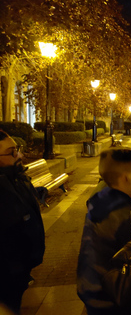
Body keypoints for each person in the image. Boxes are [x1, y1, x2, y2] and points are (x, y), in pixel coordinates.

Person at [77, 147, 131, 315]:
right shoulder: (122, 215)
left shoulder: (102, 199)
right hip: (110, 299)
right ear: (125, 177)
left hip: (92, 287)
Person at [0, 130, 45, 314]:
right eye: (12, 152)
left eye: (17, 149)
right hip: (7, 273)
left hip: (19, 270)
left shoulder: (14, 177)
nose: (20, 154)